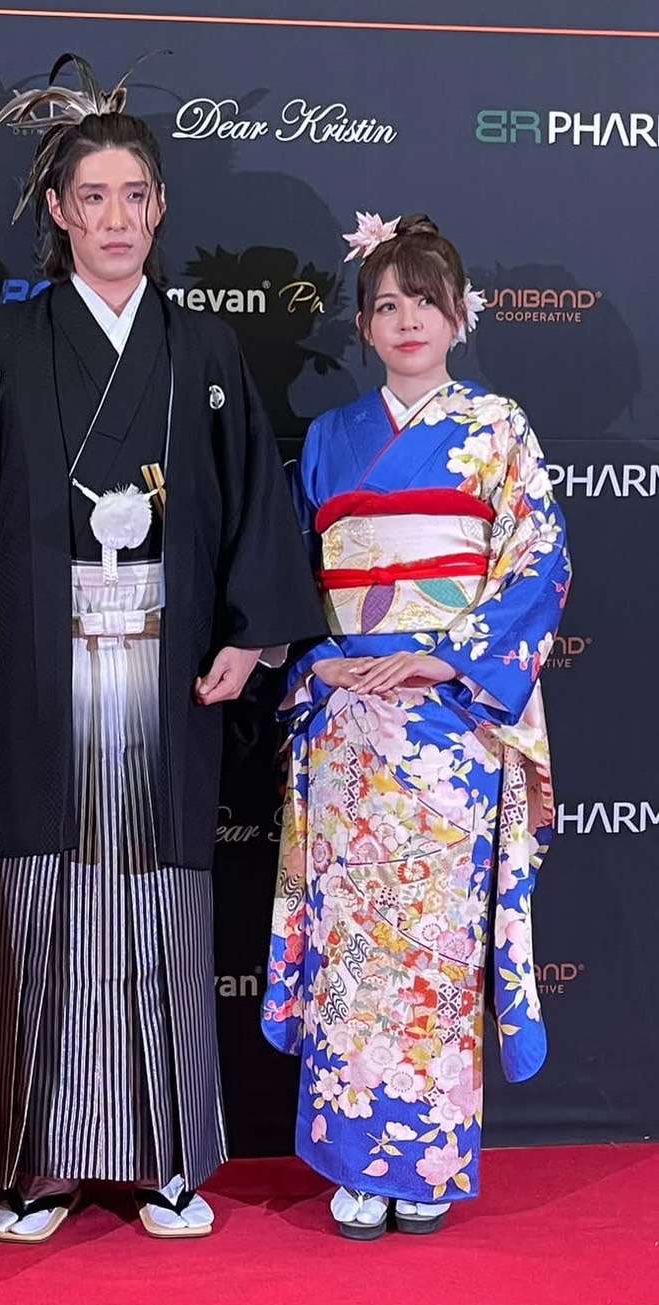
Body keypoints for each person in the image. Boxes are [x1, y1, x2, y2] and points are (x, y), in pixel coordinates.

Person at [0, 55, 322, 1244]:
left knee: (158, 899)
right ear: (57, 210)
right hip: (37, 670)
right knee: (38, 900)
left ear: (159, 210)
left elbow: (251, 498)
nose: (114, 218)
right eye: (92, 196)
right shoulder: (1, 347)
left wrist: (252, 637)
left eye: (134, 196)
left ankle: (162, 1159)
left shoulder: (201, 352)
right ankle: (37, 1163)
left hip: (166, 664)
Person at [262, 212, 570, 1239]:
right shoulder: (330, 439)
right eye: (385, 304)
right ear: (362, 324)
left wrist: (446, 656)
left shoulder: (497, 427)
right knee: (355, 934)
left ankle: (426, 1154)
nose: (406, 321)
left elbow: (539, 559)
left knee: (432, 936)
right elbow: (296, 576)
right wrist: (323, 660)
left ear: (459, 316)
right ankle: (353, 1155)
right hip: (352, 713)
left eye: (424, 302)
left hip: (446, 717)